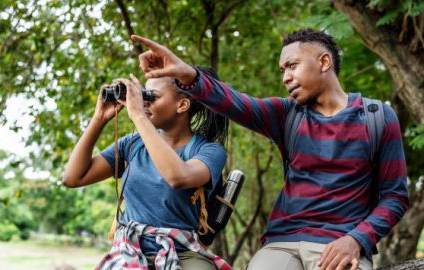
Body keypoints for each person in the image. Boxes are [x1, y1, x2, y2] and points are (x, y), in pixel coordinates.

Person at [130, 28, 409, 270]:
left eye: (292, 66)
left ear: (324, 62)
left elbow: (395, 197)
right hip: (282, 244)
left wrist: (357, 240)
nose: (286, 77)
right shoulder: (286, 114)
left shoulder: (377, 117)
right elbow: (233, 102)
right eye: (282, 70)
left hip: (339, 243)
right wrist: (187, 75)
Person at [62, 67, 231, 270]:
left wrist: (138, 116)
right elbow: (73, 178)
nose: (144, 101)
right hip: (129, 251)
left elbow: (178, 177)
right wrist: (99, 119)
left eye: (152, 96)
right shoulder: (132, 144)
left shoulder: (209, 151)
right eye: (143, 94)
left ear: (182, 105)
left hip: (183, 253)